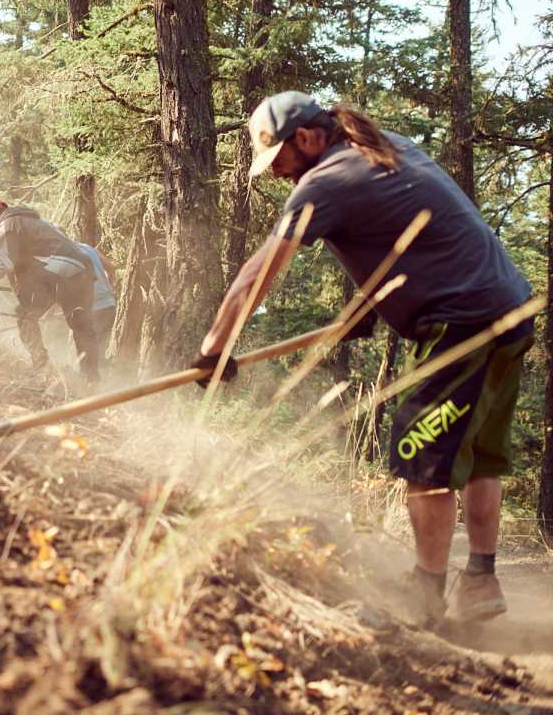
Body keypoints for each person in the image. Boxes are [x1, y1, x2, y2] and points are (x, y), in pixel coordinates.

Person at [196, 91, 534, 624]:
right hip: (509, 311)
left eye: (280, 162)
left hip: (460, 324)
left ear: (306, 138)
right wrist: (370, 308)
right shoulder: (385, 149)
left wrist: (215, 347)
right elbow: (416, 237)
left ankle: (422, 600)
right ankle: (481, 581)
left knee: (422, 460)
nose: (282, 175)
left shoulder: (326, 182)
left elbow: (257, 273)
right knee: (479, 457)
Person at [0, 199, 100, 382]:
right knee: (82, 327)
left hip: (59, 271)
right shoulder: (32, 223)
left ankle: (41, 366)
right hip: (83, 270)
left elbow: (5, 263)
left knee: (24, 315)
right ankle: (91, 380)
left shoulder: (8, 222)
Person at [77, 242, 117, 363]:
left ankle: (97, 379)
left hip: (94, 310)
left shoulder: (65, 255)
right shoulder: (87, 247)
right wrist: (110, 289)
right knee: (100, 348)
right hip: (109, 304)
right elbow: (111, 268)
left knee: (92, 351)